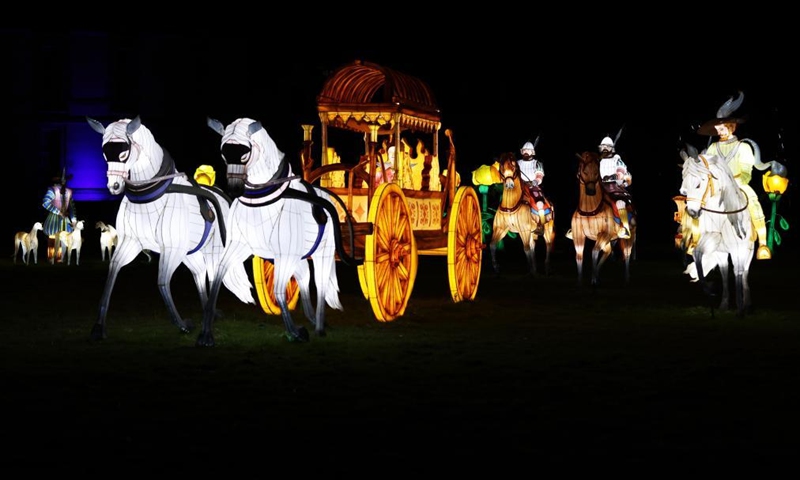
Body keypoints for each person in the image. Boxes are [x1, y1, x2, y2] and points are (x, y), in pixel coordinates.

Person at [697, 91, 771, 259]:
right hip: (717, 186)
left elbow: (746, 171)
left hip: (738, 184)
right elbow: (707, 167)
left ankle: (763, 243)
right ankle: (697, 237)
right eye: (717, 129)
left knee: (753, 202)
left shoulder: (743, 147)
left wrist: (735, 180)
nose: (719, 131)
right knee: (700, 204)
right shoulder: (713, 148)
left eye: (722, 128)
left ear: (731, 127)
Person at [566, 136, 634, 240]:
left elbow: (622, 173)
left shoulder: (617, 160)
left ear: (612, 148)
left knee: (620, 203)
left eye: (607, 147)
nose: (605, 149)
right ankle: (576, 227)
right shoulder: (598, 161)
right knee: (586, 200)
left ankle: (625, 228)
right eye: (603, 147)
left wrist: (615, 176)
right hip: (601, 188)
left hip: (615, 188)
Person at [42, 169, 77, 263]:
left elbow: (71, 207)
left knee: (64, 238)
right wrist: (58, 212)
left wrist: (74, 220)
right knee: (53, 238)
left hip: (65, 220)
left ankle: (60, 258)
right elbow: (45, 203)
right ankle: (51, 257)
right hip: (54, 218)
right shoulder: (52, 190)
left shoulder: (69, 191)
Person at [517, 140, 552, 233]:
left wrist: (536, 181)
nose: (526, 152)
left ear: (532, 152)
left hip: (532, 186)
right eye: (524, 150)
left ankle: (540, 224)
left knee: (539, 204)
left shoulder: (537, 163)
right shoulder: (517, 163)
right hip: (519, 186)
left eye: (528, 150)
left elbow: (539, 175)